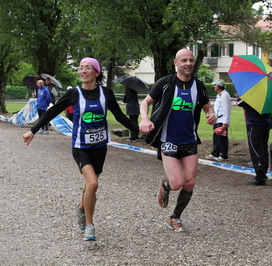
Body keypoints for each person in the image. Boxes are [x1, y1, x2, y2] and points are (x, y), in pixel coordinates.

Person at [23, 57, 139, 241]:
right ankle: (89, 226)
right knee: (93, 184)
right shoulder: (74, 94)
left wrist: (140, 130)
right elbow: (52, 111)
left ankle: (80, 207)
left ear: (96, 72)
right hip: (80, 146)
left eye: (87, 68)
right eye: (81, 68)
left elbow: (120, 116)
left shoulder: (106, 93)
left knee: (88, 186)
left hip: (100, 147)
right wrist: (33, 130)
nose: (83, 71)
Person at [139, 49, 217, 232]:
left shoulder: (198, 86)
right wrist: (144, 119)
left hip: (189, 140)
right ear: (176, 62)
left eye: (190, 60)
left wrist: (212, 115)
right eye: (184, 60)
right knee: (176, 184)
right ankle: (166, 184)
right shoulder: (165, 83)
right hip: (168, 140)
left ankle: (175, 217)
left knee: (189, 182)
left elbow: (208, 108)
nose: (188, 63)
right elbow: (146, 102)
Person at [236, 94, 272, 186]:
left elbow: (239, 103)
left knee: (256, 150)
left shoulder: (252, 93)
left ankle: (260, 177)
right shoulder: (268, 95)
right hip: (266, 123)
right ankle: (263, 172)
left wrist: (239, 96)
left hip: (255, 124)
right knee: (263, 148)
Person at [206, 79, 231, 162]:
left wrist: (225, 123)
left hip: (222, 120)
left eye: (215, 85)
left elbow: (227, 109)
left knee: (222, 138)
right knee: (216, 137)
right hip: (218, 119)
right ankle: (215, 153)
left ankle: (224, 155)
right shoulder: (219, 95)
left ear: (218, 86)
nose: (214, 86)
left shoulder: (225, 95)